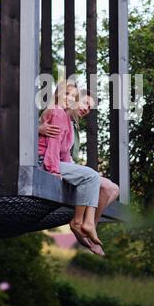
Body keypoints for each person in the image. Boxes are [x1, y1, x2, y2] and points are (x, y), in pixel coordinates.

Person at [39, 88, 120, 256]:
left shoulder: (71, 123)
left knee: (112, 189)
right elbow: (51, 148)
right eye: (85, 103)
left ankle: (89, 225)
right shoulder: (58, 113)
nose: (86, 109)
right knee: (91, 176)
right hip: (47, 162)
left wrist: (78, 171)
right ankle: (80, 223)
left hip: (60, 162)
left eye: (90, 108)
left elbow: (65, 155)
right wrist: (55, 171)